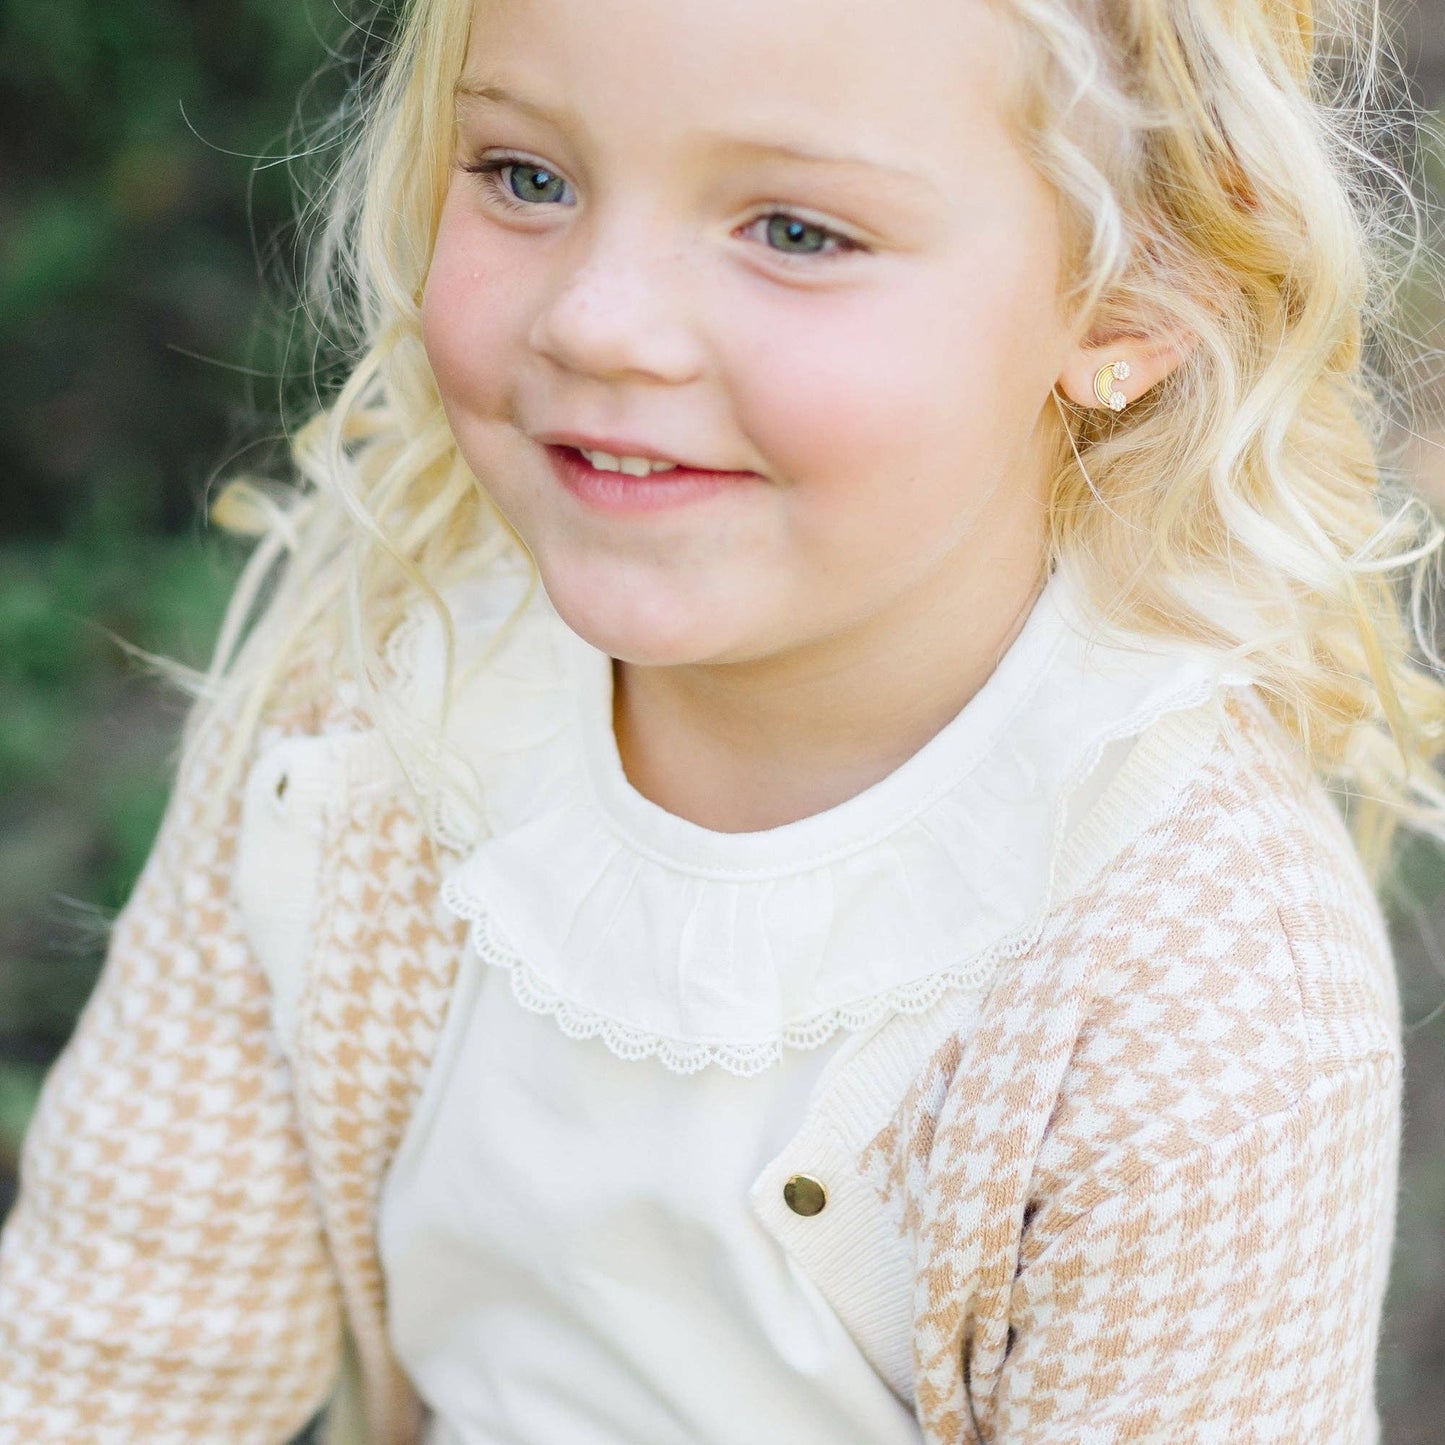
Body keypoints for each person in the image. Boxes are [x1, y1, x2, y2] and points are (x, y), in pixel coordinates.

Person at [1, 0, 1440, 1439]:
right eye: (526, 177)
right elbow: (108, 1365)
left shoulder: (1198, 986)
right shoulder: (378, 698)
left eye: (796, 232)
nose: (595, 319)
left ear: (1132, 299)